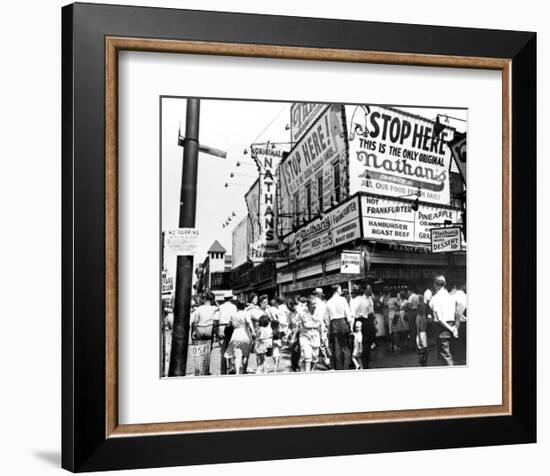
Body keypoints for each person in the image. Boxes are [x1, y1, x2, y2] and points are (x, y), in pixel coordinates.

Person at [430, 275, 458, 365]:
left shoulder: (435, 298)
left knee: (445, 357)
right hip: (452, 325)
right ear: (444, 284)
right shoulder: (451, 297)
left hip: (441, 329)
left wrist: (451, 329)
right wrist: (455, 328)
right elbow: (456, 314)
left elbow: (440, 319)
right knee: (452, 355)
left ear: (435, 285)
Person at [224, 300, 255, 375]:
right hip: (245, 335)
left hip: (235, 335)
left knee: (237, 355)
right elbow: (249, 323)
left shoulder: (233, 315)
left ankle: (237, 372)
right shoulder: (245, 313)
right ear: (243, 308)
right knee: (246, 354)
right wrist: (253, 332)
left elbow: (229, 324)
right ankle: (244, 370)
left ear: (237, 308)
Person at [326, 285, 353, 370]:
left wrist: (328, 330)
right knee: (345, 346)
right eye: (340, 289)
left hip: (333, 324)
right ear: (337, 290)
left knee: (336, 348)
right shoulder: (342, 300)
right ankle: (346, 366)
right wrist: (351, 327)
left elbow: (327, 318)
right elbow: (348, 314)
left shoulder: (328, 302)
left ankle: (338, 368)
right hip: (343, 322)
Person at [296, 296, 324, 372]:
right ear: (308, 305)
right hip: (305, 336)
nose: (314, 306)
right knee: (307, 357)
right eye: (312, 304)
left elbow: (322, 325)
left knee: (315, 358)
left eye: (315, 304)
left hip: (315, 336)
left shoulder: (319, 312)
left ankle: (311, 372)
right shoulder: (302, 313)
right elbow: (297, 325)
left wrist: (323, 337)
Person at [215, 291, 237, 375]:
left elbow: (217, 319)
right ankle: (232, 368)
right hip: (231, 328)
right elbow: (234, 318)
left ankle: (223, 371)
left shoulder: (220, 307)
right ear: (231, 298)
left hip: (222, 328)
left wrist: (217, 331)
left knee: (223, 351)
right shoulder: (234, 307)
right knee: (232, 348)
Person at [416, 289, 432, 366]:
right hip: (421, 334)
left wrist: (429, 320)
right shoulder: (418, 317)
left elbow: (425, 323)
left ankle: (423, 362)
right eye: (423, 308)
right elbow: (417, 329)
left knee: (425, 351)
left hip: (423, 333)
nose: (424, 309)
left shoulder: (423, 316)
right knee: (423, 350)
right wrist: (419, 340)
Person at [406, 288, 420, 353]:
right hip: (417, 312)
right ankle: (418, 343)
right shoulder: (417, 296)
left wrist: (406, 306)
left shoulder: (411, 297)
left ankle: (412, 345)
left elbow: (409, 305)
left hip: (411, 312)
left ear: (410, 290)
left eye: (408, 291)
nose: (407, 293)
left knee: (411, 329)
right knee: (416, 328)